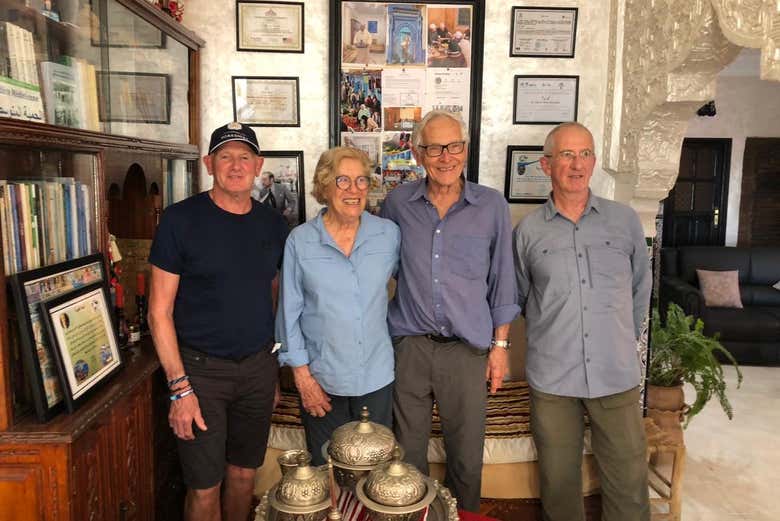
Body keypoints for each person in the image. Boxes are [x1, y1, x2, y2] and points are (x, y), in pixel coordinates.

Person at [148, 122, 288, 521]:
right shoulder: (180, 220)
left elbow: (275, 299)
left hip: (257, 369)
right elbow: (159, 311)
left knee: (244, 475)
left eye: (245, 156)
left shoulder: (273, 224)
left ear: (258, 165)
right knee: (204, 486)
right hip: (199, 373)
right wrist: (179, 389)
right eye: (225, 156)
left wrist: (273, 371)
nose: (236, 165)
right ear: (209, 164)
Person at [381, 110, 519, 512]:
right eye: (434, 148)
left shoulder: (491, 205)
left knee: (465, 459)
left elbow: (503, 281)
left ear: (466, 150)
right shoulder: (397, 203)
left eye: (454, 146)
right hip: (411, 347)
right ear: (418, 154)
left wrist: (500, 348)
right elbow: (381, 267)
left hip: (467, 351)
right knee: (406, 460)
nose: (446, 157)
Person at [512, 122, 651, 521]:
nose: (577, 164)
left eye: (586, 154)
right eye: (567, 155)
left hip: (615, 373)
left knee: (628, 479)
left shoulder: (624, 222)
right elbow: (521, 298)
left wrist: (622, 340)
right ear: (546, 164)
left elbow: (641, 290)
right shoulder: (528, 232)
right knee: (558, 483)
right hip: (554, 378)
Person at [276, 146, 400, 465]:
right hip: (322, 381)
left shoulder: (388, 235)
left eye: (361, 181)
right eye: (343, 180)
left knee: (374, 473)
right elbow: (288, 314)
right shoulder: (300, 240)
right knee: (327, 471)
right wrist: (302, 379)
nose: (353, 190)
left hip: (376, 377)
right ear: (325, 185)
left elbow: (415, 288)